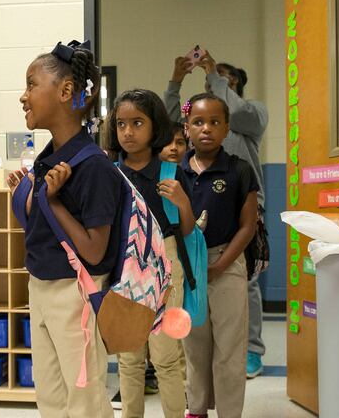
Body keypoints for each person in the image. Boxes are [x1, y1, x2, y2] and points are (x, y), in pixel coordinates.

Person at [8, 40, 119, 418]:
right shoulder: (49, 159)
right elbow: (44, 232)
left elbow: (93, 251)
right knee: (52, 399)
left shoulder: (94, 167)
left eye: (30, 84)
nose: (23, 97)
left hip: (75, 294)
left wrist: (53, 201)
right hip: (40, 287)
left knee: (84, 399)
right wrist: (25, 197)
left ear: (65, 91)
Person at [164, 53, 268, 378]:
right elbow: (172, 125)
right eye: (211, 80)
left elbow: (234, 110)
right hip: (197, 203)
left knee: (243, 280)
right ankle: (199, 353)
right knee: (192, 276)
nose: (215, 83)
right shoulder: (202, 123)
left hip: (242, 205)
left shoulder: (249, 116)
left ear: (234, 86)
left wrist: (213, 71)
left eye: (224, 80)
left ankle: (251, 350)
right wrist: (176, 80)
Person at [106, 89, 192, 418]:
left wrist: (182, 201)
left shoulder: (171, 174)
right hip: (123, 267)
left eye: (137, 123)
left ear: (155, 127)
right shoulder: (110, 175)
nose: (128, 132)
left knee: (167, 357)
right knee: (129, 359)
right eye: (122, 124)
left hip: (167, 265)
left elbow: (187, 230)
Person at [178, 94, 259, 418]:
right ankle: (195, 410)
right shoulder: (175, 171)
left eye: (214, 122)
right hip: (189, 268)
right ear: (187, 128)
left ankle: (229, 413)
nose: (206, 129)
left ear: (226, 129)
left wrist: (221, 265)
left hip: (227, 262)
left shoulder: (239, 170)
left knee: (229, 348)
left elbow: (248, 225)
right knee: (194, 348)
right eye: (198, 122)